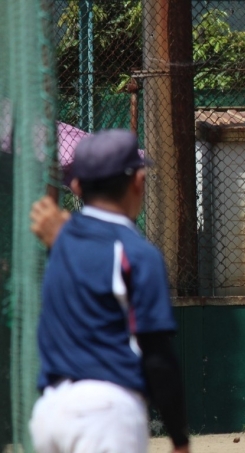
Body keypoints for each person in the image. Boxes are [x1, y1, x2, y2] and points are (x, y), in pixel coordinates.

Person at [28, 129, 190, 453]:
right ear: (138, 182)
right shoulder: (138, 254)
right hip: (105, 412)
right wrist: (180, 440)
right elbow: (157, 356)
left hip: (48, 412)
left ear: (77, 186)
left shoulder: (61, 238)